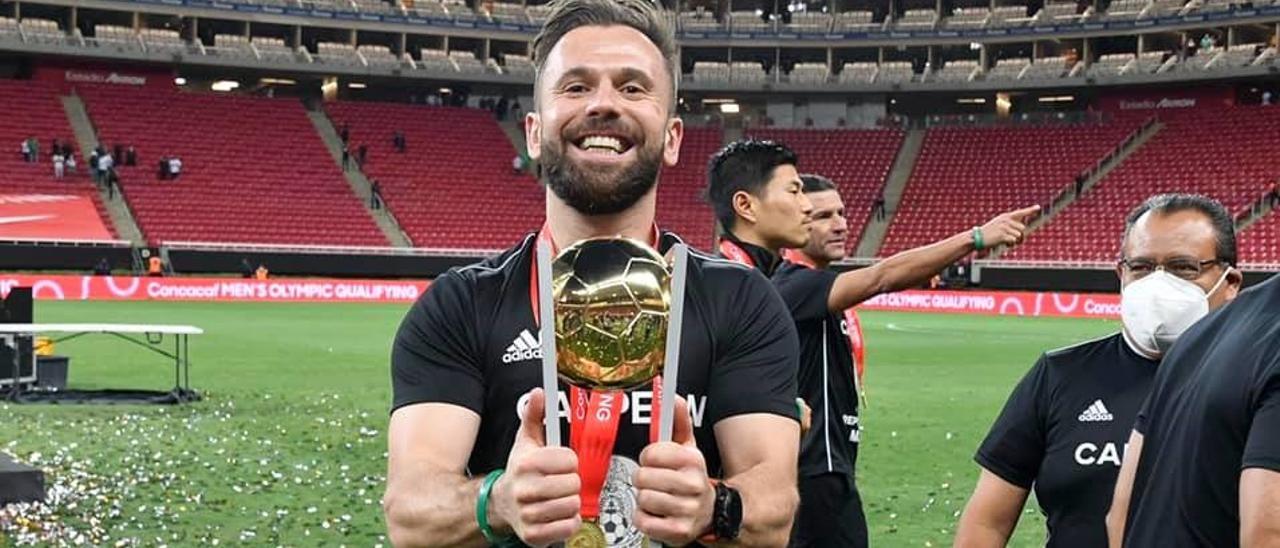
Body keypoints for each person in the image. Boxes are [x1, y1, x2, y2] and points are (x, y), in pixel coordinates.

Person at [383, 2, 803, 546]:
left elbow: (775, 505)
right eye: (576, 87)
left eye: (632, 88)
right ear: (534, 133)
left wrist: (715, 505)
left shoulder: (741, 300)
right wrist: (497, 500)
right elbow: (409, 510)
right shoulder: (460, 303)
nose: (603, 104)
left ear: (673, 138)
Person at [704, 144, 1037, 547]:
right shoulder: (776, 285)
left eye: (838, 212)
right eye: (795, 194)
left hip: (817, 468)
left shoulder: (774, 280)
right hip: (812, 472)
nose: (810, 212)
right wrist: (976, 237)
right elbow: (883, 277)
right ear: (747, 206)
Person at [955, 194, 1242, 548]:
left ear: (1231, 283)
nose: (1158, 283)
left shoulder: (1259, 385)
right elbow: (987, 523)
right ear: (1120, 274)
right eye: (1141, 267)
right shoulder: (1059, 374)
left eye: (1184, 267)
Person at [1107, 211, 1274, 548]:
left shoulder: (1196, 339)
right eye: (1140, 267)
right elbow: (1268, 533)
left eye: (1183, 267)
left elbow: (1120, 516)